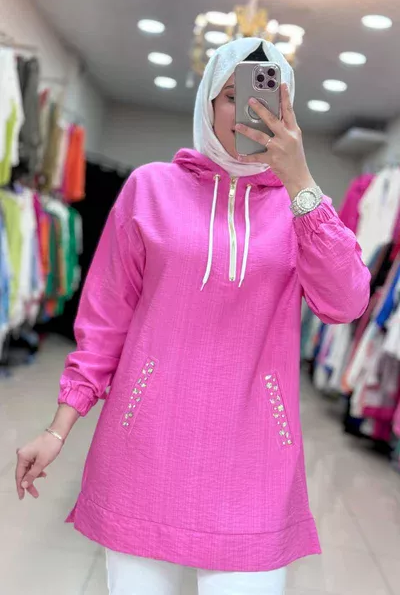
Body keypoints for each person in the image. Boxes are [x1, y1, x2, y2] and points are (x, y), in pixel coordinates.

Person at [15, 38, 371, 594]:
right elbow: (105, 322)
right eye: (233, 96)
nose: (249, 111)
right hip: (145, 453)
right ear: (207, 102)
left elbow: (346, 302)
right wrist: (58, 429)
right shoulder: (150, 188)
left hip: (255, 464)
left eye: (268, 98)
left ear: (288, 110)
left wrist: (301, 182)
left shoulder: (301, 210)